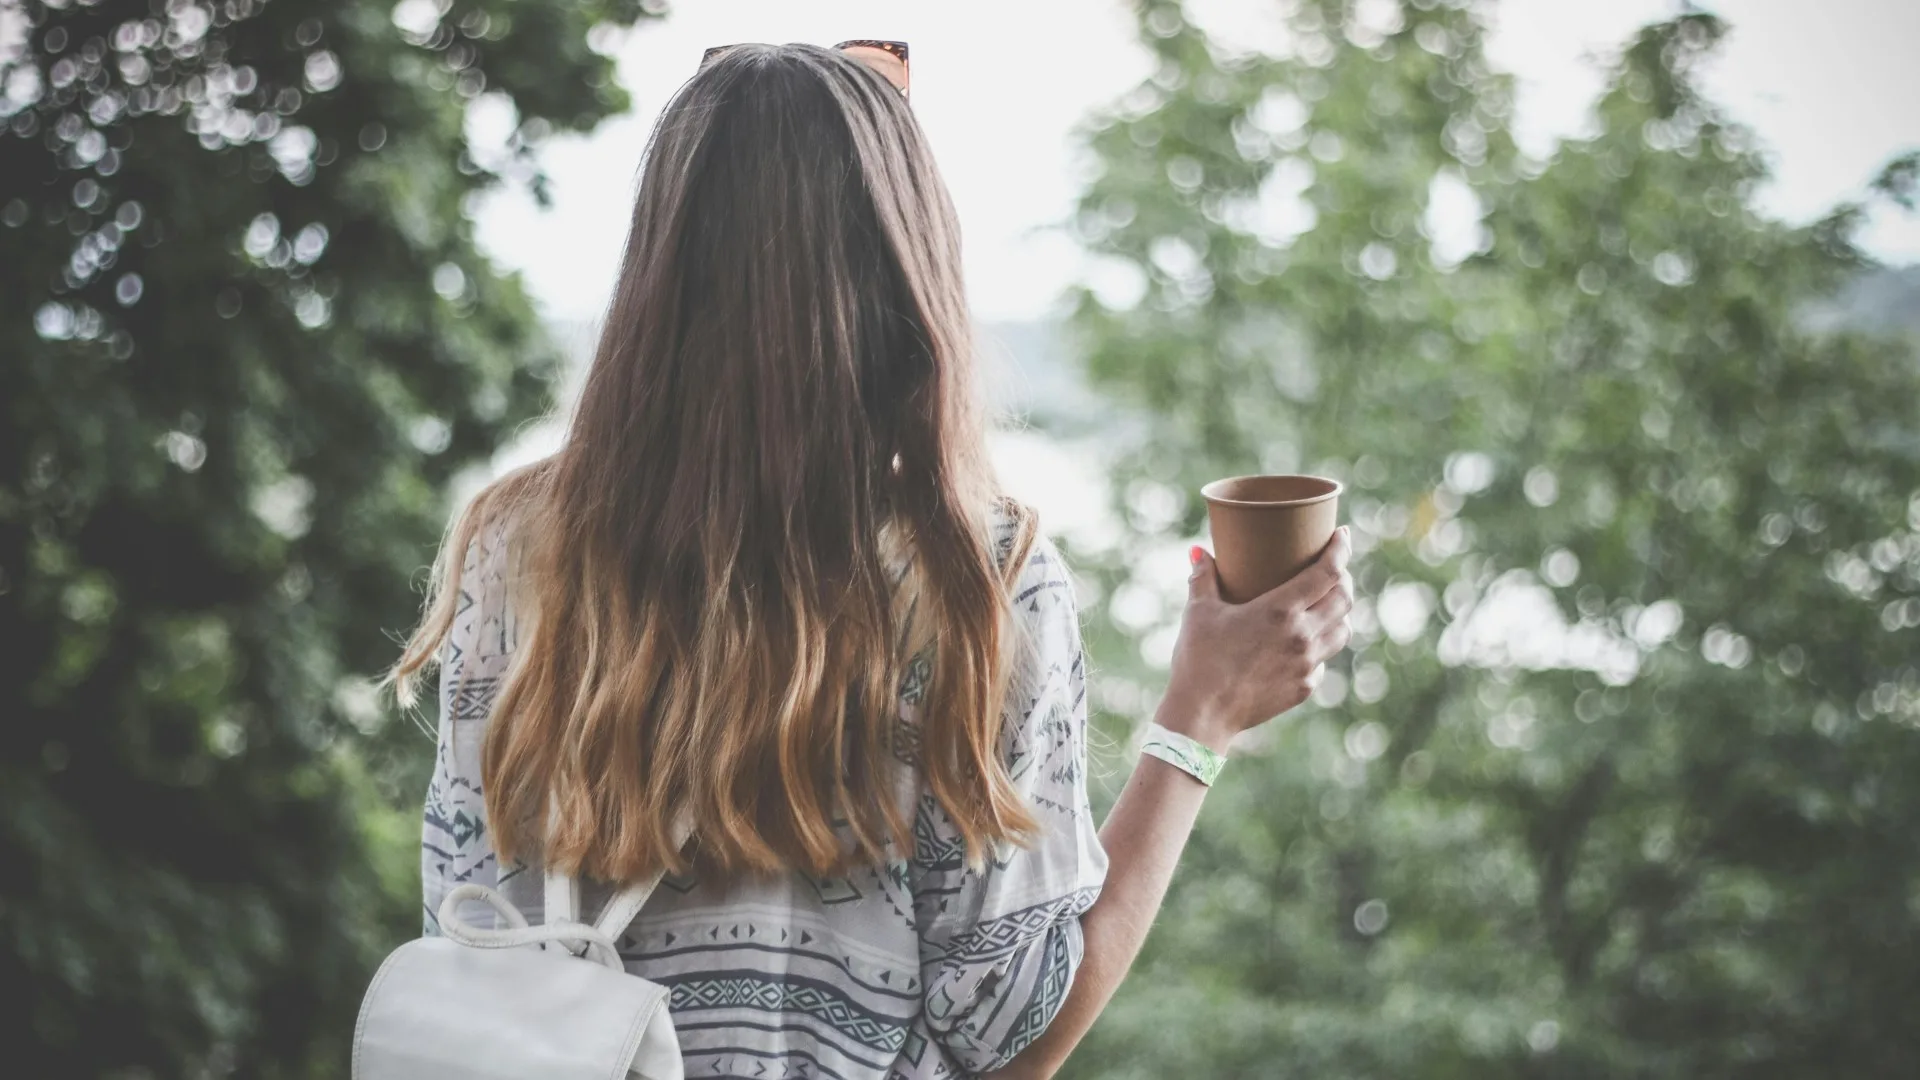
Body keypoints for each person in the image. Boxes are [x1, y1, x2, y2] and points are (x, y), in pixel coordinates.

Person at [390, 41, 1352, 1080]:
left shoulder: (517, 548)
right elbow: (1011, 1043)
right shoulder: (975, 579)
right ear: (904, 271)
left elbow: (472, 934)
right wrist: (1198, 718)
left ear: (662, 265)